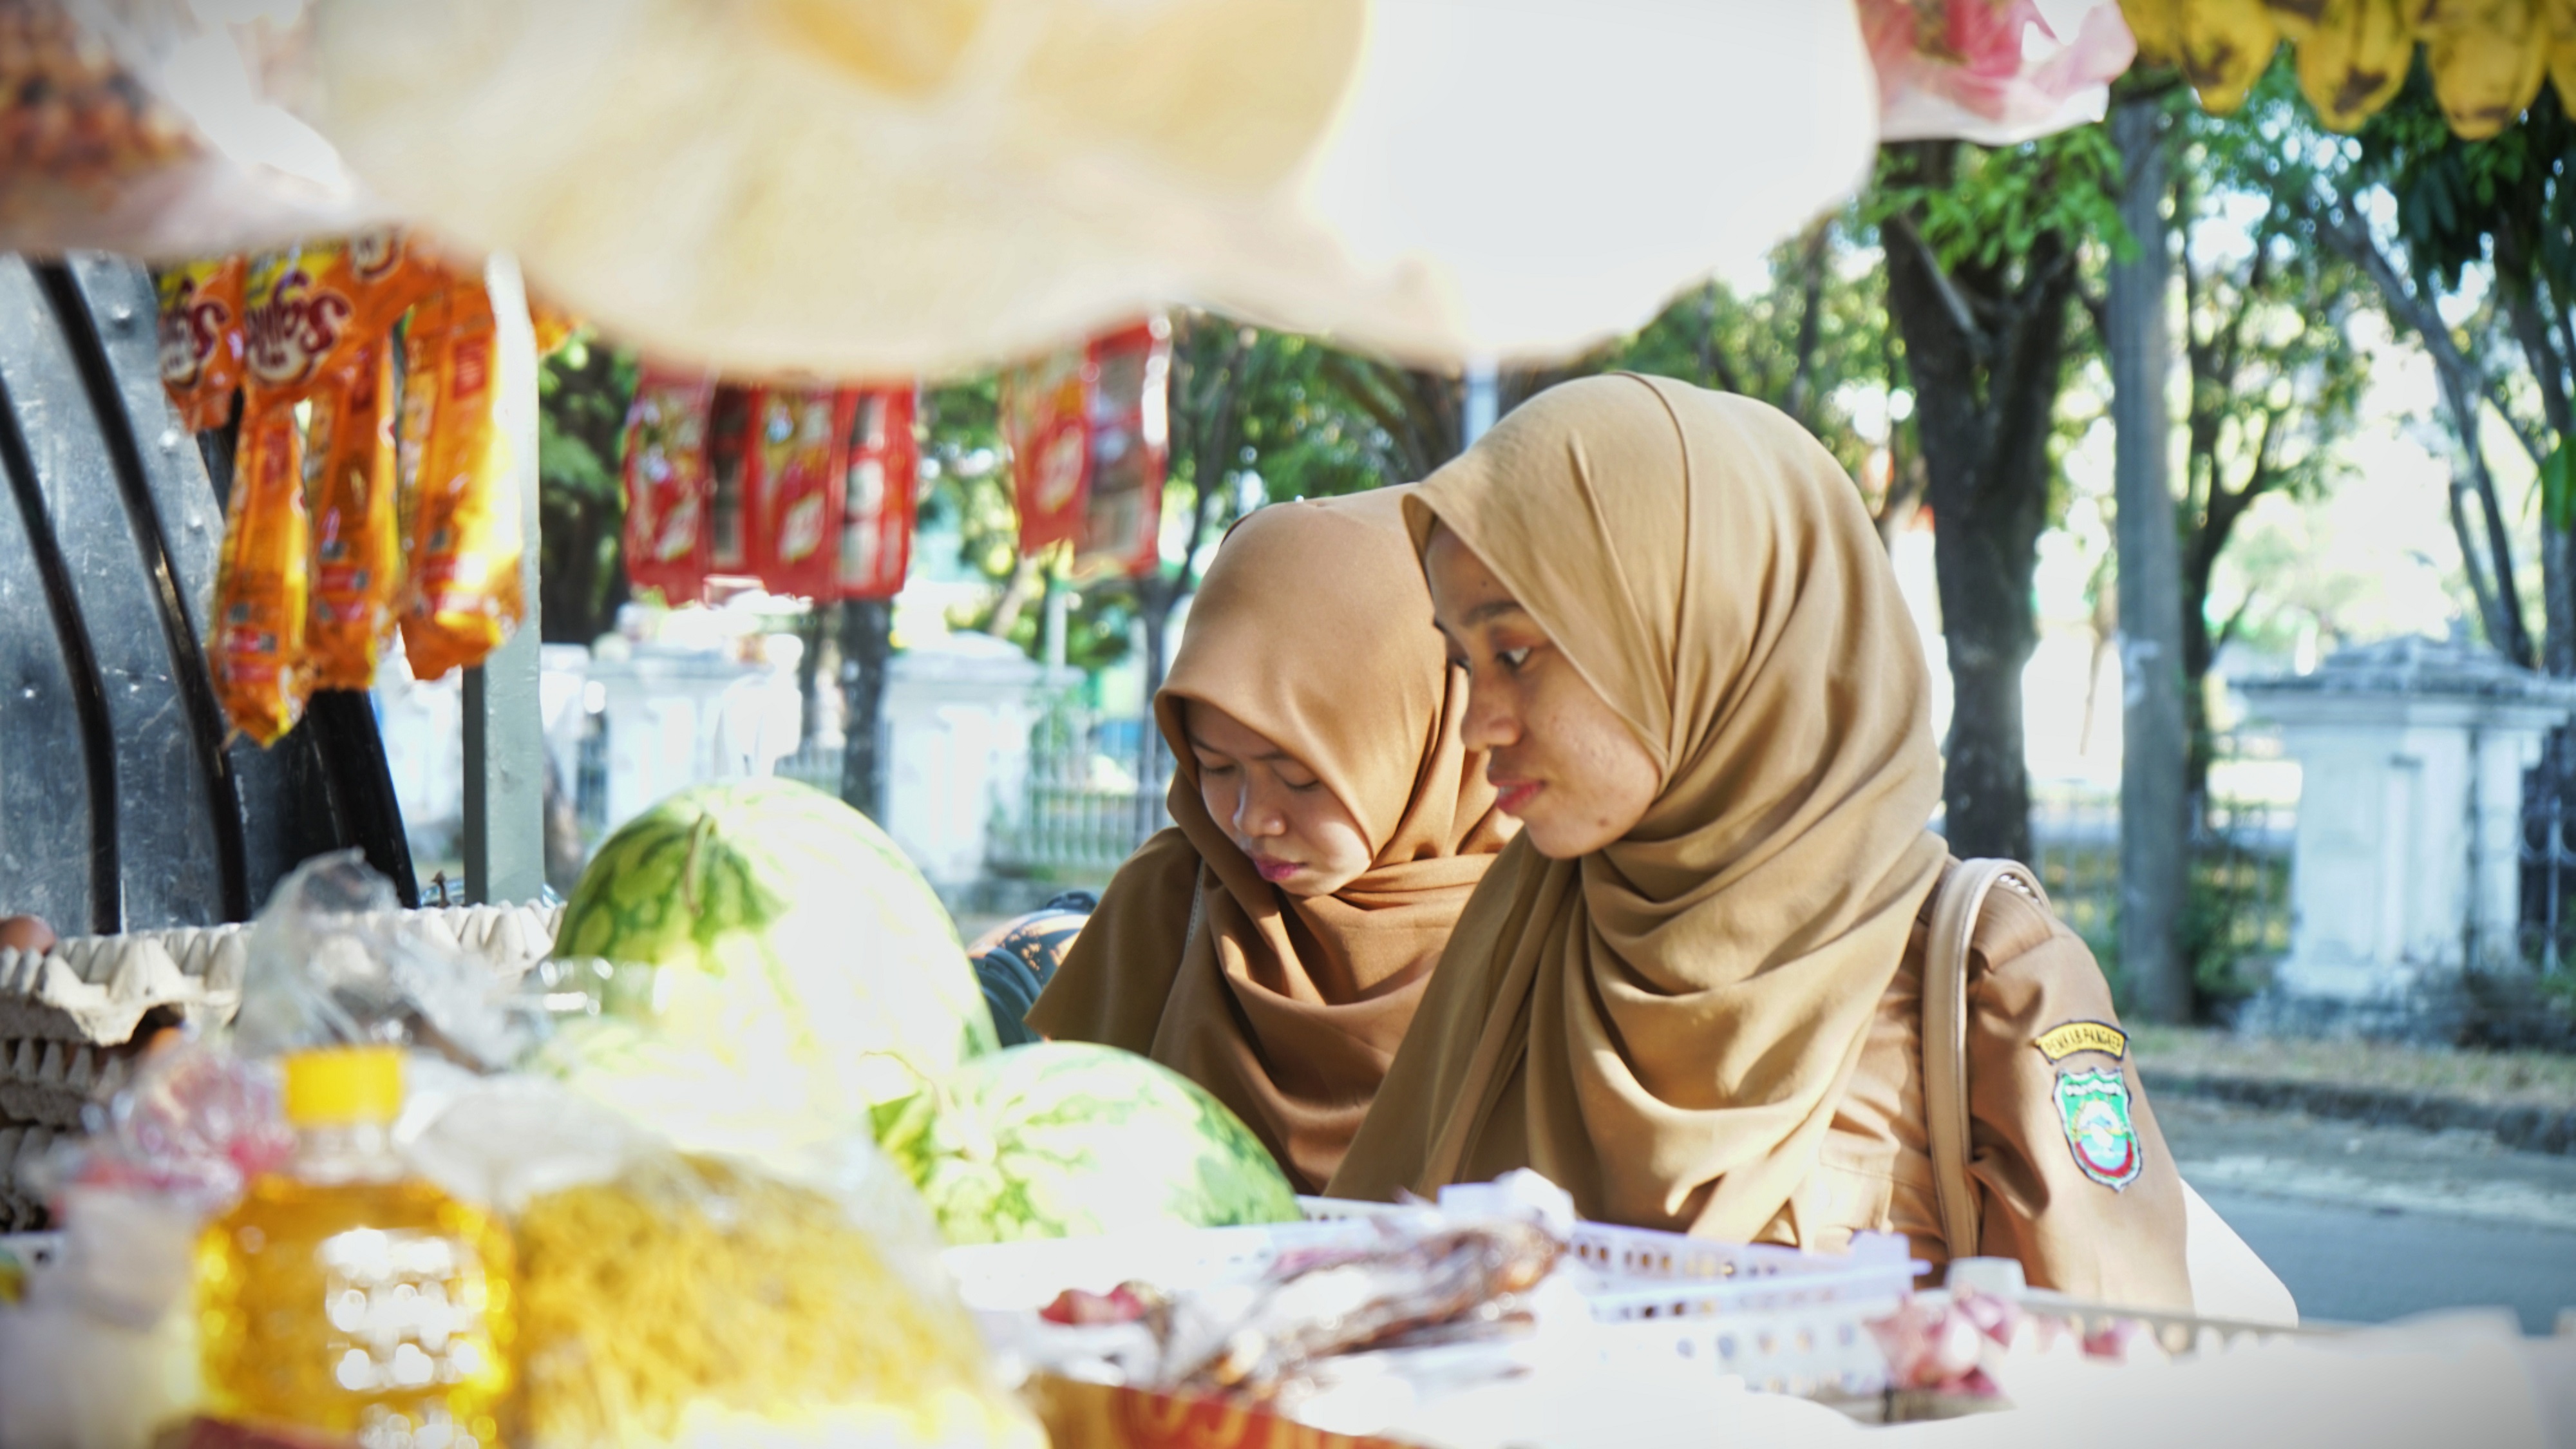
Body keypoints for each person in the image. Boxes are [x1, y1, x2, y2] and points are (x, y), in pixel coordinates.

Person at [1327, 375, 2193, 1311]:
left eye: (1517, 654)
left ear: (1707, 628)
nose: (1477, 724)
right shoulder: (1519, 935)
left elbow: (2115, 1374)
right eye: (1461, 662)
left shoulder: (1989, 980)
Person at [1028, 488, 1515, 1191]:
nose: (1253, 818)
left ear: (1426, 740)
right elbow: (1061, 1161)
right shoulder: (1170, 903)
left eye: (1300, 779)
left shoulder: (1539, 924)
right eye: (1217, 768)